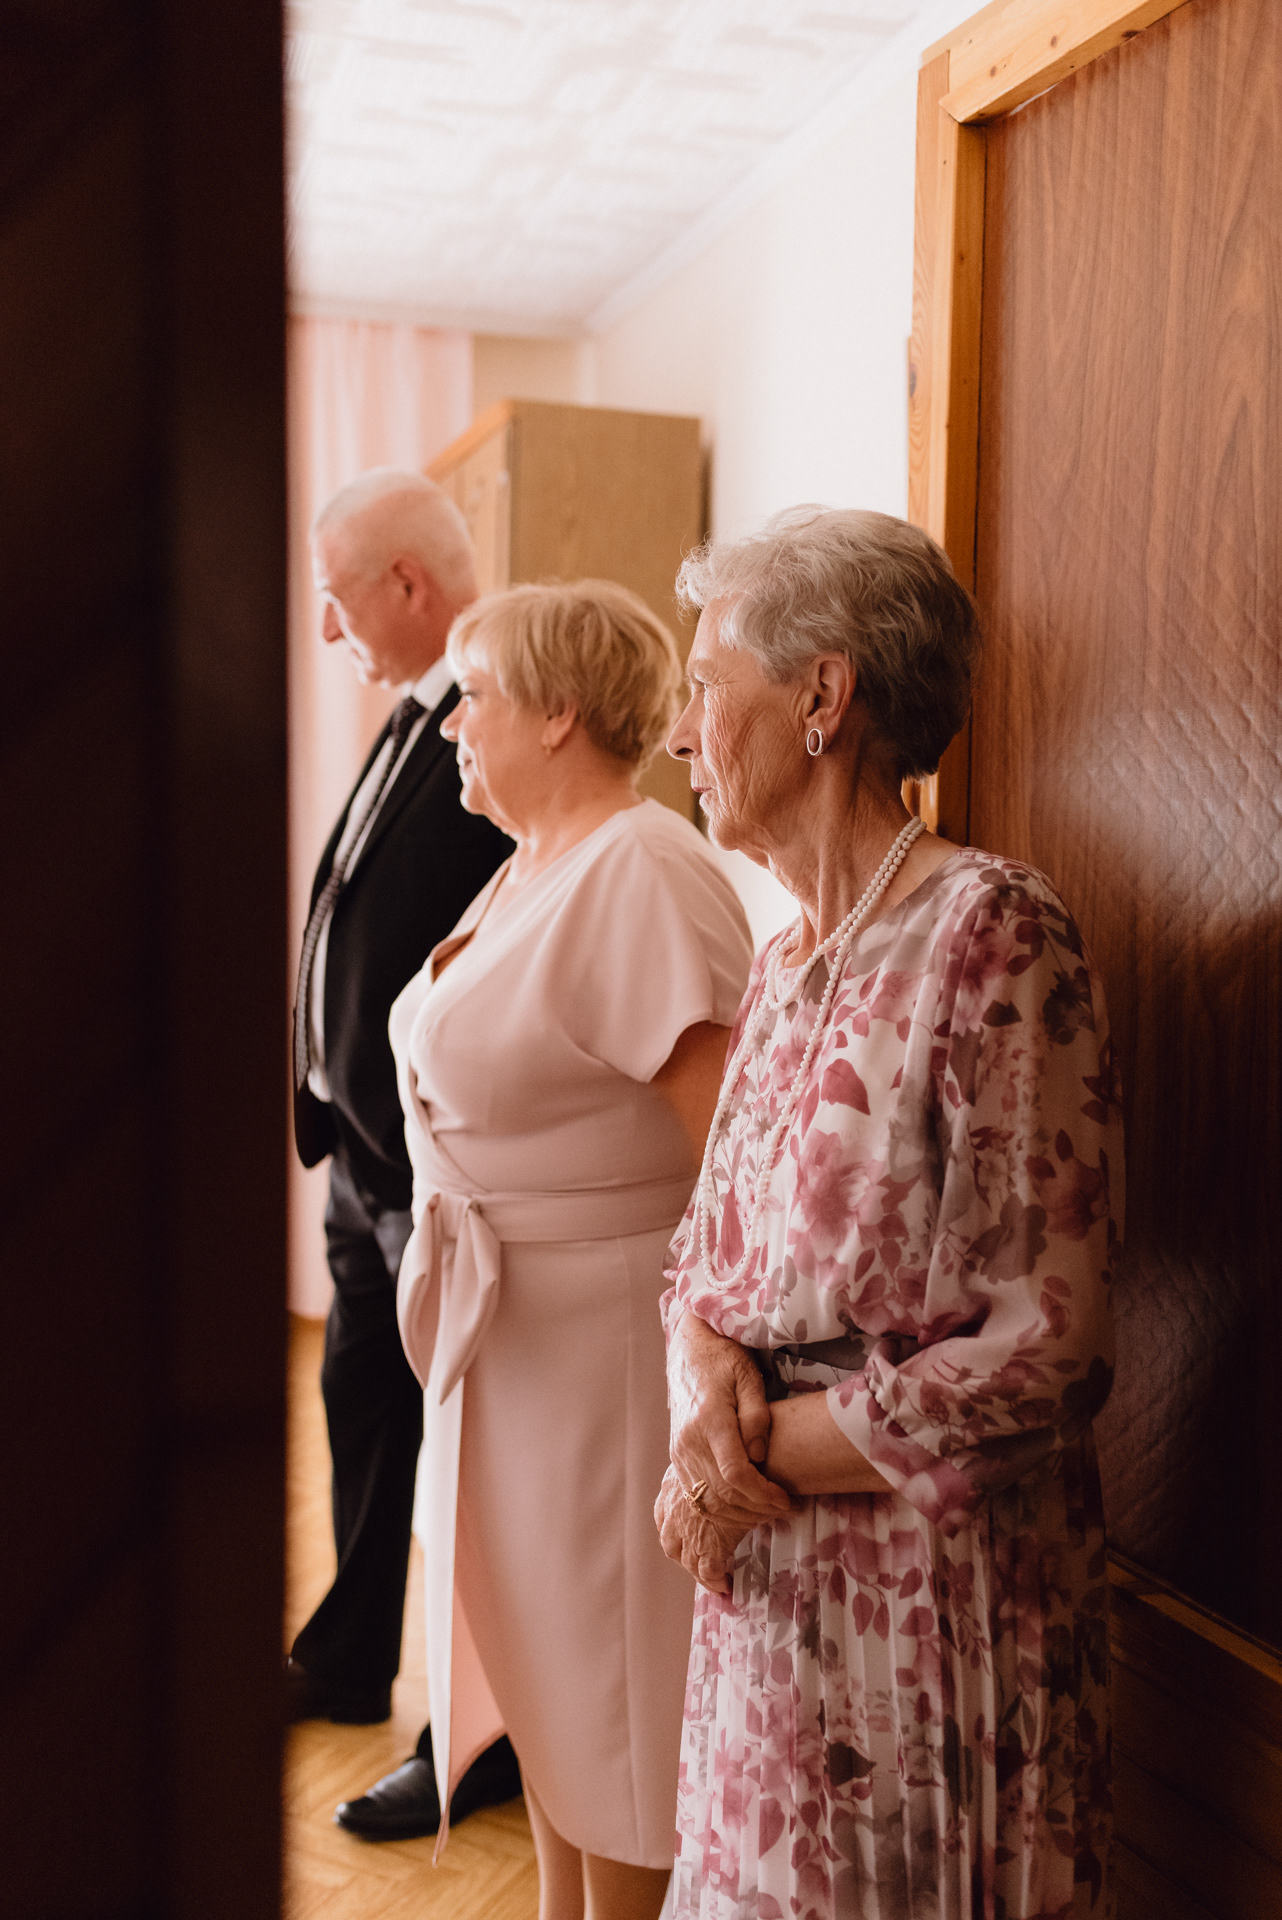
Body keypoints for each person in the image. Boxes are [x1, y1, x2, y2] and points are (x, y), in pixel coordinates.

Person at [654, 508, 1120, 1920]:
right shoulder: (783, 958)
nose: (676, 734)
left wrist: (743, 1457)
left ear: (822, 695)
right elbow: (701, 1260)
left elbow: (1047, 1349)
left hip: (926, 1616)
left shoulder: (992, 930)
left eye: (703, 685)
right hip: (767, 1602)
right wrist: (703, 1382)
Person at [389, 579, 755, 1919]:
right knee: (549, 1683)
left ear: (557, 714)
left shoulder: (641, 868)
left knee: (615, 1693)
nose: (451, 727)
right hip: (512, 1340)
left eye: (474, 697)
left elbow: (732, 1158)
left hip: (605, 1354)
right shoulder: (529, 864)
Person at [289, 468, 521, 1839]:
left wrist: (407, 1137)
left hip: (433, 1167)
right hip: (359, 1153)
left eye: (336, 597)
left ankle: (473, 1738)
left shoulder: (500, 721)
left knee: (464, 1461)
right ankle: (346, 1658)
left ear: (406, 585)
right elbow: (351, 912)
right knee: (363, 1406)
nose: (328, 627)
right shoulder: (411, 712)